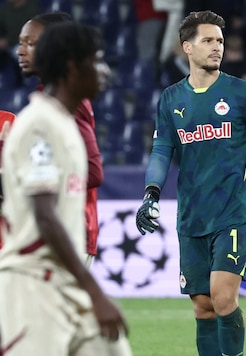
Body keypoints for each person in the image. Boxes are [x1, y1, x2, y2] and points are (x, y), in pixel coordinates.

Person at [134, 10, 246, 356]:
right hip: (192, 216)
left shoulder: (245, 93)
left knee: (222, 295)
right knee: (202, 305)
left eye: (220, 40)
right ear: (187, 47)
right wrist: (151, 194)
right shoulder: (171, 99)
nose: (217, 46)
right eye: (208, 40)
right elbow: (161, 151)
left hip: (234, 211)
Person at [0, 22, 131, 355]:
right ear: (73, 67)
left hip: (66, 282)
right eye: (97, 60)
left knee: (114, 349)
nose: (104, 71)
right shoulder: (39, 125)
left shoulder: (65, 121)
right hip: (33, 285)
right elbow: (44, 216)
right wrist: (95, 290)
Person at [15, 11, 105, 268]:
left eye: (30, 43)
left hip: (68, 232)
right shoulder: (54, 98)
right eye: (21, 42)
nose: (20, 51)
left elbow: (93, 171)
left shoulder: (65, 102)